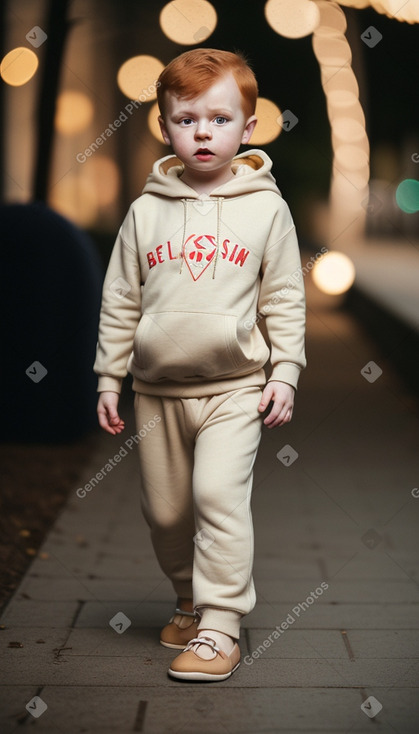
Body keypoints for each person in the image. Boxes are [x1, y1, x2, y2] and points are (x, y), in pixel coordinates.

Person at [93, 48, 306, 682]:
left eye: (219, 119)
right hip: (156, 391)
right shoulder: (145, 211)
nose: (203, 132)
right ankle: (188, 600)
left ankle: (220, 627)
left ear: (250, 126)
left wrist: (286, 371)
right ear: (164, 127)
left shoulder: (267, 209)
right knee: (165, 514)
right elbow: (121, 298)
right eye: (186, 120)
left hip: (235, 388)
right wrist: (110, 376)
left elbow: (285, 296)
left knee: (217, 496)